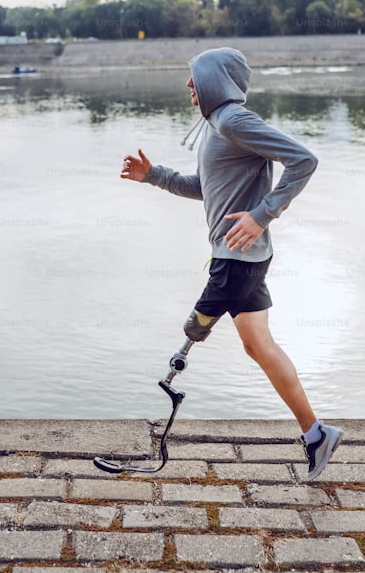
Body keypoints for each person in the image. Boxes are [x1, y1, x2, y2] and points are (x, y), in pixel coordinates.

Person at [120, 47, 341, 481]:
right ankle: (316, 434)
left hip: (236, 258)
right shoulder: (214, 127)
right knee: (259, 346)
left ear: (215, 81)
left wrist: (263, 215)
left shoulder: (234, 120)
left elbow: (304, 161)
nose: (189, 85)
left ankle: (314, 433)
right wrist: (155, 176)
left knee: (195, 326)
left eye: (195, 77)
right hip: (241, 256)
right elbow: (206, 187)